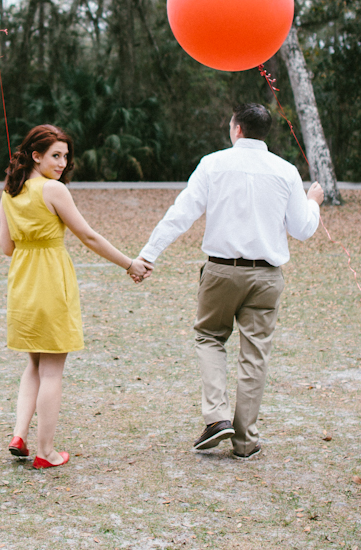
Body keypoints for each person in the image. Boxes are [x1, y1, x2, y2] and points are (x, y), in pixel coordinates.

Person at [136, 102, 324, 460]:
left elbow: (182, 214)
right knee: (255, 355)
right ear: (263, 131)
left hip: (221, 271)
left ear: (235, 128)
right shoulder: (285, 171)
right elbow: (302, 230)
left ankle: (217, 417)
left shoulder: (213, 164)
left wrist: (149, 254)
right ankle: (245, 441)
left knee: (209, 337)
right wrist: (313, 201)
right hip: (267, 276)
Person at [0, 124, 150, 469]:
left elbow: (6, 247)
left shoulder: (9, 190)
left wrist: (26, 231)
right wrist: (130, 264)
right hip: (51, 281)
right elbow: (88, 236)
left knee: (34, 362)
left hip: (22, 282)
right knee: (51, 368)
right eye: (55, 155)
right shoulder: (53, 191)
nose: (63, 163)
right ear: (36, 156)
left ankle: (19, 434)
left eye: (66, 156)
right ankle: (45, 451)